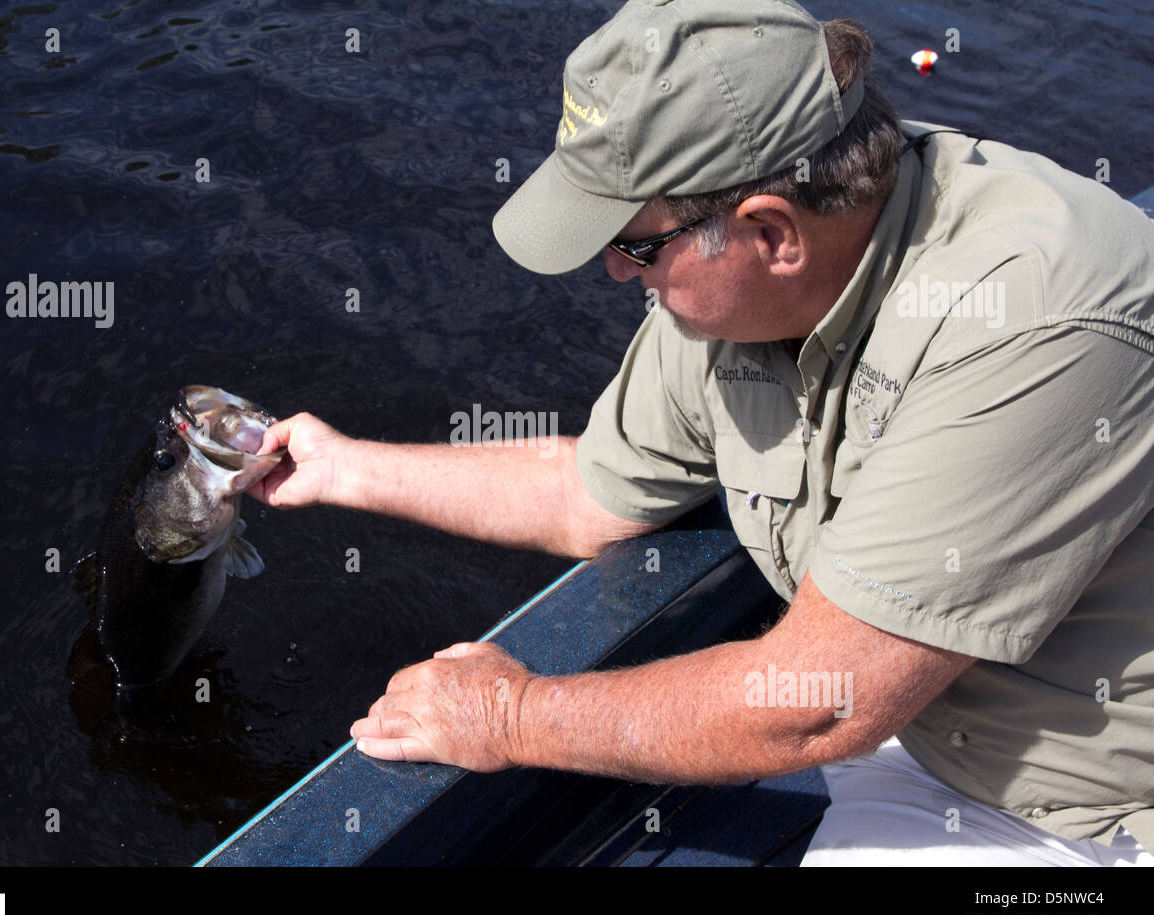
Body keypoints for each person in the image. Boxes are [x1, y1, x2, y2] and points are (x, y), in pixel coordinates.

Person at [250, 0, 1154, 865]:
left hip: (1082, 819)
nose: (610, 270)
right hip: (902, 722)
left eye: (634, 245)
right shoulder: (732, 296)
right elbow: (582, 496)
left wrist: (510, 717)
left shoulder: (1035, 325)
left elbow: (821, 702)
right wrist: (340, 467)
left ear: (770, 233)